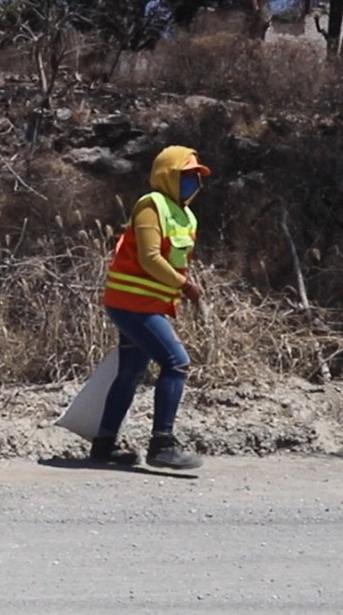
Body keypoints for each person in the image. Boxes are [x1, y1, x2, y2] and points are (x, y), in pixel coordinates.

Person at [93, 145, 209, 470]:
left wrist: (182, 289)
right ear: (168, 175)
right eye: (187, 176)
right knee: (177, 363)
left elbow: (174, 261)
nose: (194, 183)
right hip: (132, 303)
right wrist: (185, 286)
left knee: (129, 373)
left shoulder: (185, 214)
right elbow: (150, 258)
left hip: (147, 304)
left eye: (197, 177)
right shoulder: (151, 205)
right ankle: (162, 443)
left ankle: (103, 445)